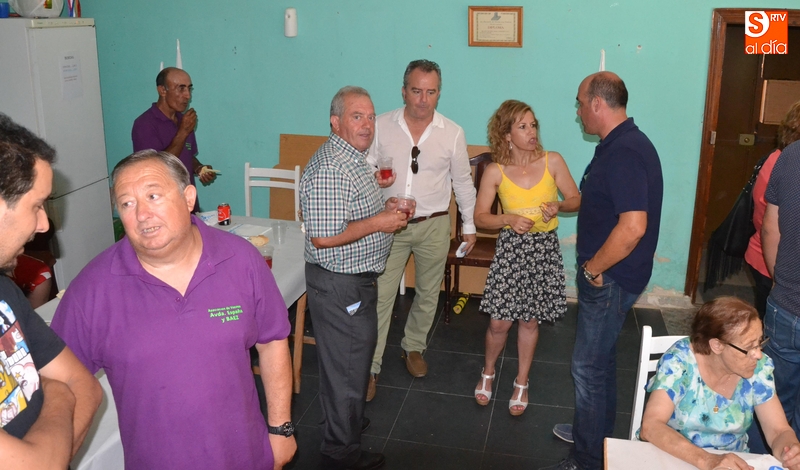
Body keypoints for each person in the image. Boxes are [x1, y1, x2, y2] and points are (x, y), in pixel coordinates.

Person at [51, 150, 296, 469]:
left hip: (244, 455)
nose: (142, 214)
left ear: (188, 198)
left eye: (153, 196)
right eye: (127, 203)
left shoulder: (241, 259)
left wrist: (281, 429)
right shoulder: (91, 290)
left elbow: (272, 340)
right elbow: (56, 384)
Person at [545, 72, 663, 470]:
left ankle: (587, 458)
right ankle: (595, 436)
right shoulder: (619, 143)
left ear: (598, 103)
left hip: (609, 277)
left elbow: (633, 227)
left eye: (580, 103)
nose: (578, 112)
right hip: (613, 275)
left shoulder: (625, 151)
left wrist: (593, 269)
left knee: (587, 368)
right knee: (602, 360)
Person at [300, 86, 411, 470]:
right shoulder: (332, 167)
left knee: (347, 364)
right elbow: (323, 236)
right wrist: (380, 222)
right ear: (336, 122)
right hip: (340, 284)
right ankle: (341, 452)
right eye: (356, 116)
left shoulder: (353, 158)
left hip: (352, 281)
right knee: (347, 368)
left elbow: (350, 213)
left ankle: (343, 422)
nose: (367, 125)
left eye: (370, 116)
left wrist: (384, 207)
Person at [365, 59, 477, 399]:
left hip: (433, 224)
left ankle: (413, 347)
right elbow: (364, 168)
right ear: (404, 91)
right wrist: (376, 182)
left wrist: (469, 226)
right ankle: (370, 367)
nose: (423, 100)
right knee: (381, 296)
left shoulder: (452, 132)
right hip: (389, 224)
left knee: (428, 293)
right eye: (416, 91)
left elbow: (462, 182)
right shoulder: (380, 126)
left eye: (430, 92)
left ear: (439, 94)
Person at [0, 113, 102, 468]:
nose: (44, 224)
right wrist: (58, 394)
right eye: (37, 205)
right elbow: (68, 386)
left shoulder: (5, 291)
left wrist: (48, 455)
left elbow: (87, 386)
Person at [473, 100, 580, 416]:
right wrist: (507, 219)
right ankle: (488, 372)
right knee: (499, 322)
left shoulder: (552, 161)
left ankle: (522, 381)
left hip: (543, 249)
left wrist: (558, 206)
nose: (531, 132)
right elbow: (480, 218)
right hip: (511, 249)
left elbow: (576, 199)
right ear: (506, 134)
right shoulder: (495, 171)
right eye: (522, 126)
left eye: (533, 125)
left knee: (529, 320)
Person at [640, 297, 800, 470]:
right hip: (672, 456)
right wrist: (707, 460)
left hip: (730, 463)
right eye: (749, 347)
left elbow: (778, 431)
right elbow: (651, 426)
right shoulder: (680, 361)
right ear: (717, 345)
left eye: (760, 342)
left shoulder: (758, 368)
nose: (758, 354)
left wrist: (790, 451)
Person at [132, 67, 216, 212]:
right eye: (181, 89)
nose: (187, 95)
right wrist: (183, 132)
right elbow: (156, 166)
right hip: (163, 208)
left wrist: (199, 168)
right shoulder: (144, 124)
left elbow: (186, 154)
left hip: (188, 203)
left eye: (189, 89)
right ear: (162, 90)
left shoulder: (184, 120)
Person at [744, 101, 800, 318]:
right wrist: (779, 278)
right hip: (771, 261)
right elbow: (768, 225)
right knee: (770, 325)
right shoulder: (785, 162)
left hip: (767, 257)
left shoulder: (779, 157)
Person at [762, 139, 800, 437]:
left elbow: (770, 227)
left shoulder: (791, 154)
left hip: (785, 304)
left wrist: (779, 278)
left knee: (769, 401)